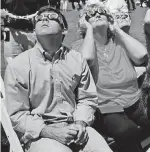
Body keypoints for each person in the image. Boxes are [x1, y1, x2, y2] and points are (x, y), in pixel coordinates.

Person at [4, 6, 112, 152]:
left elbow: (87, 99)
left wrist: (80, 123)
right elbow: (18, 114)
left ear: (64, 30)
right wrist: (49, 131)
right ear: (34, 32)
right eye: (40, 18)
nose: (44, 19)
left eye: (51, 17)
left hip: (75, 127)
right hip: (39, 134)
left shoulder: (76, 59)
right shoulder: (18, 66)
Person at [72, 3, 149, 152]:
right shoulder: (80, 46)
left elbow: (141, 56)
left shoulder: (120, 40)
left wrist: (117, 29)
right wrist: (89, 30)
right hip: (106, 104)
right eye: (91, 14)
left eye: (102, 12)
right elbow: (86, 59)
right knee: (127, 131)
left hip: (134, 98)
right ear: (84, 22)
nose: (98, 14)